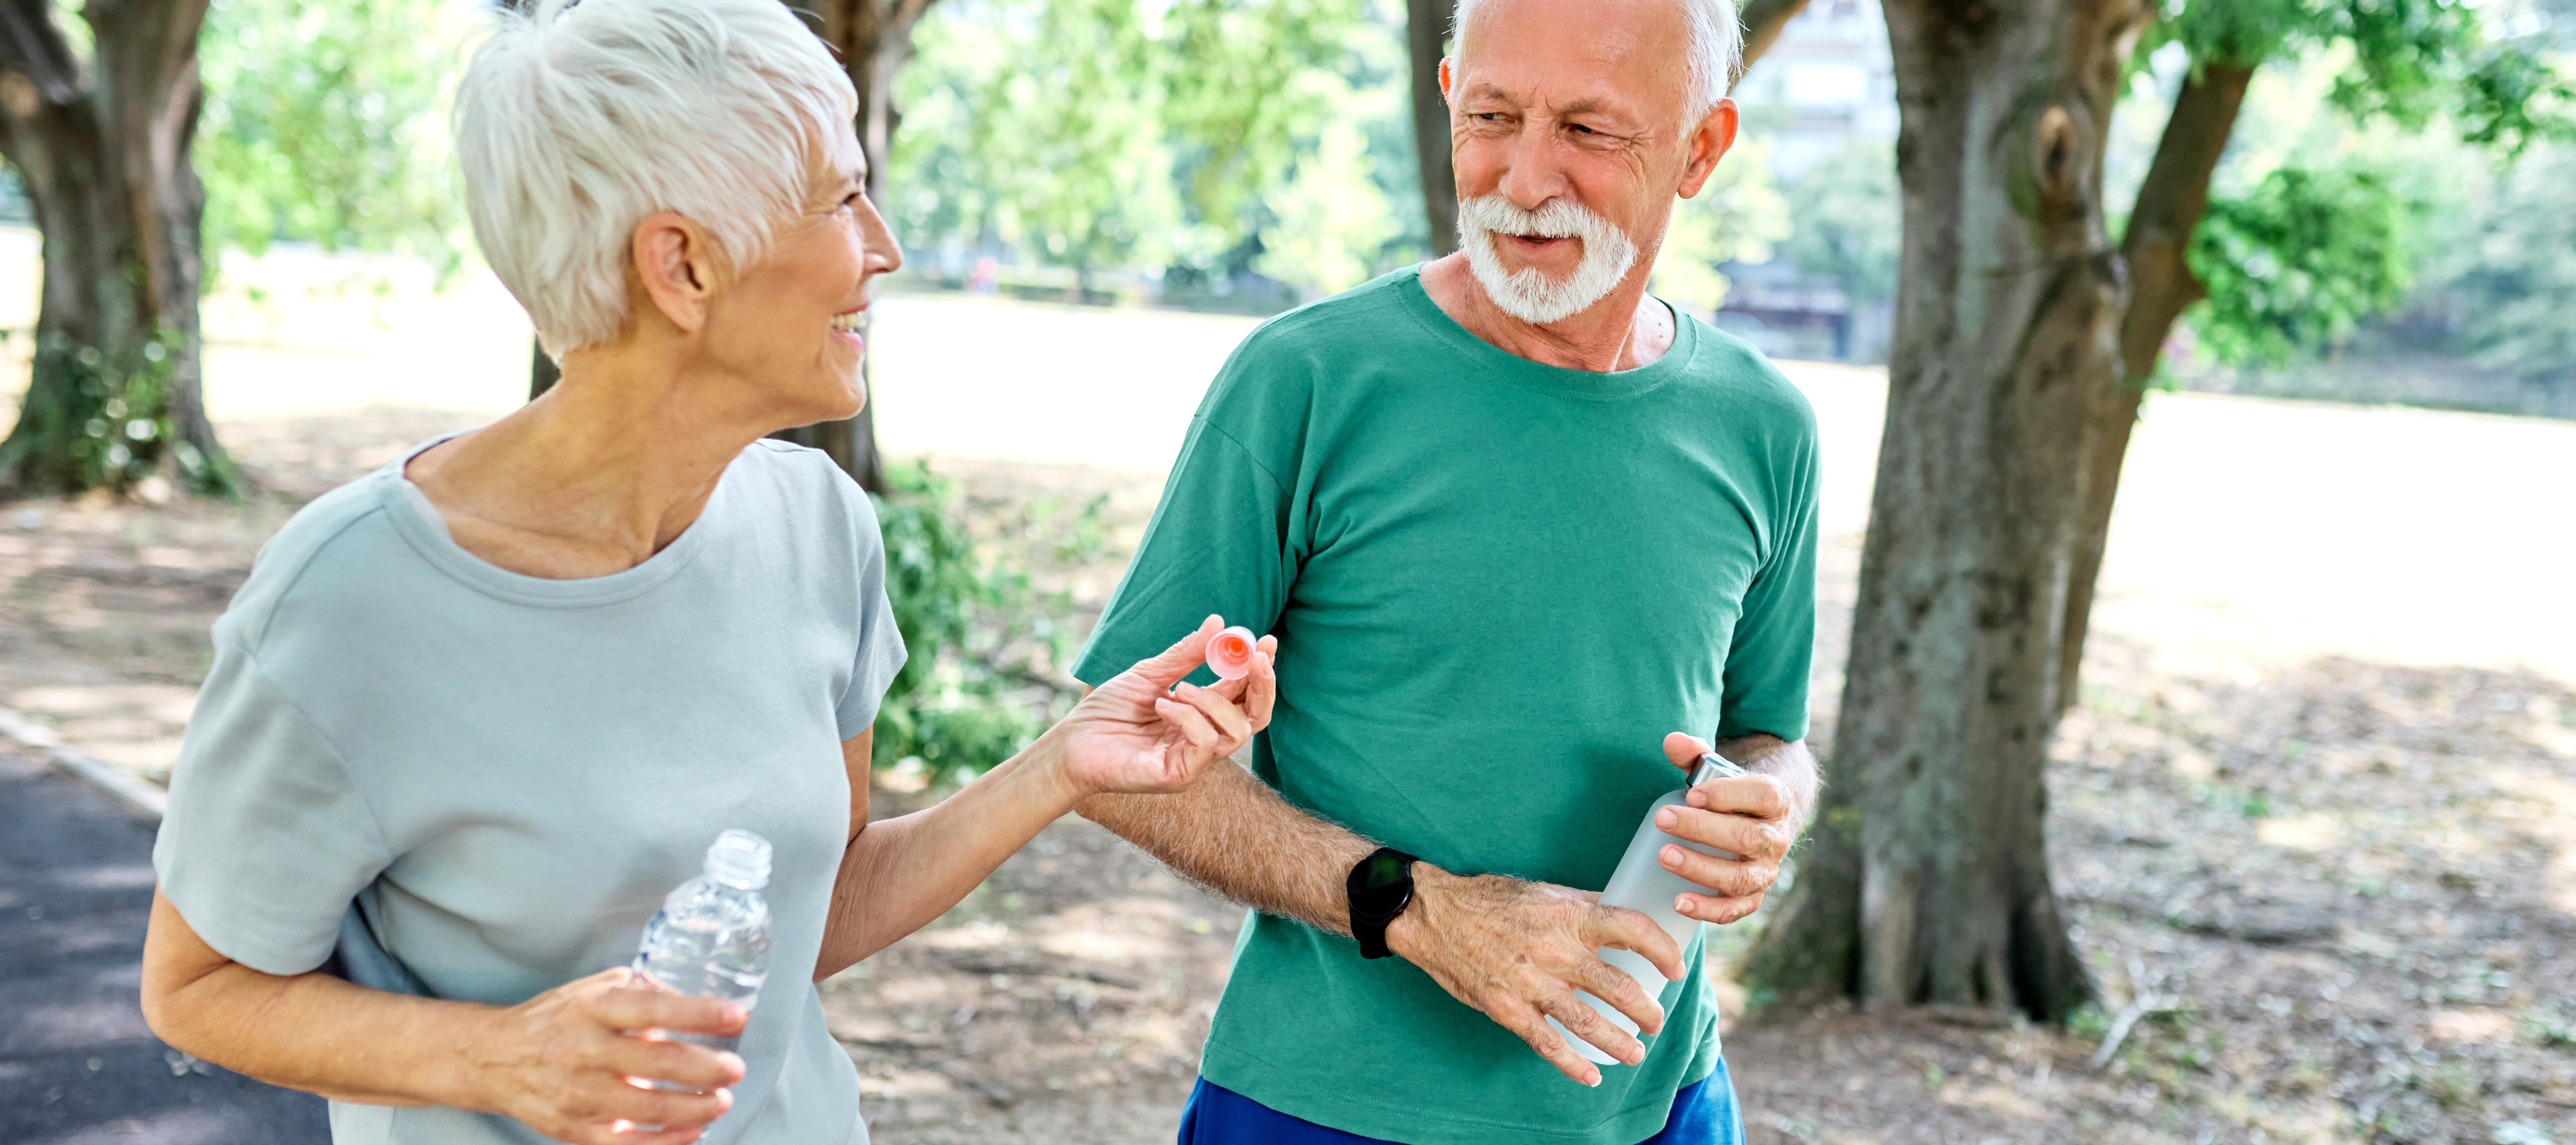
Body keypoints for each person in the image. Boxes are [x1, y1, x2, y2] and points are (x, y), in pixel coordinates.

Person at [135, 2, 1276, 1143]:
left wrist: (1061, 768)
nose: (882, 246)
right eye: (840, 200)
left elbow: (807, 914)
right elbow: (195, 990)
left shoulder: (819, 525)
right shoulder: (349, 600)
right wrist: (497, 1059)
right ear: (680, 265)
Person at [1067, 0, 1821, 1141]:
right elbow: (1125, 757)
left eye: (1588, 130)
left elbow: (1770, 735)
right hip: (1324, 1112)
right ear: (1446, 100)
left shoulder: (1765, 425)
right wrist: (1412, 908)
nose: (1523, 180)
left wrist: (1769, 813)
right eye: (1493, 117)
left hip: (1659, 1108)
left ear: (1701, 149)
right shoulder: (1304, 381)